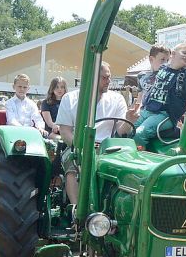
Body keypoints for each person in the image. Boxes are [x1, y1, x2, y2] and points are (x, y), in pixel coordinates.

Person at [56, 62, 135, 205]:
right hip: (79, 146)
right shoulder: (70, 98)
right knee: (74, 168)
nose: (109, 81)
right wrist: (79, 146)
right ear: (91, 78)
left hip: (110, 149)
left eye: (109, 77)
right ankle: (77, 211)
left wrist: (129, 120)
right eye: (104, 78)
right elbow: (65, 131)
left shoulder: (117, 99)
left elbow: (121, 131)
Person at [134, 43, 186, 147]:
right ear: (173, 54)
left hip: (165, 114)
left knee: (139, 133)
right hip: (148, 110)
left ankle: (140, 157)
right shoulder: (162, 69)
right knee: (129, 130)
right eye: (184, 53)